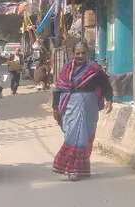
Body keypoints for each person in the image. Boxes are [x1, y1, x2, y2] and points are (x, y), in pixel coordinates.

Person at [51, 41, 113, 181]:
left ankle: (77, 170)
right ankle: (71, 168)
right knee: (71, 135)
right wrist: (55, 108)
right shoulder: (67, 69)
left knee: (85, 136)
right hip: (70, 106)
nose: (80, 56)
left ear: (88, 54)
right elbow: (58, 89)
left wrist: (109, 100)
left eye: (83, 53)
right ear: (73, 53)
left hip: (89, 107)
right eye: (77, 53)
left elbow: (106, 85)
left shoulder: (95, 69)